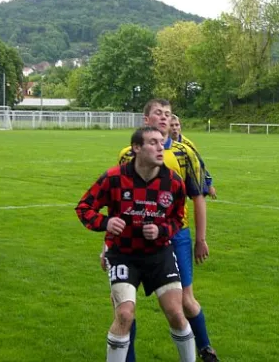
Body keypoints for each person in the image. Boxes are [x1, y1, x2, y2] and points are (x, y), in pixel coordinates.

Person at [76, 127, 195, 362]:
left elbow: (178, 218)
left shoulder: (173, 182)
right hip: (123, 255)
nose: (161, 147)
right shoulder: (113, 178)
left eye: (161, 142)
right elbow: (84, 208)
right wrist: (106, 222)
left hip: (159, 254)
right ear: (137, 148)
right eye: (153, 142)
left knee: (175, 313)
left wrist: (161, 230)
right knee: (124, 314)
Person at [117, 99, 219, 362]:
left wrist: (200, 239)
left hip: (176, 235)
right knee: (126, 303)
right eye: (158, 114)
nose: (164, 118)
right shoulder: (128, 154)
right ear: (145, 120)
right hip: (136, 236)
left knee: (185, 301)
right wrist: (109, 243)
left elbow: (197, 198)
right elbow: (119, 198)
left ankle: (206, 349)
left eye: (168, 114)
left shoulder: (185, 153)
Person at [169, 115, 217, 199]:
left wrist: (209, 185)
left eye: (177, 125)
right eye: (171, 125)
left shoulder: (188, 145)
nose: (174, 128)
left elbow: (200, 165)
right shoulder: (161, 143)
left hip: (182, 183)